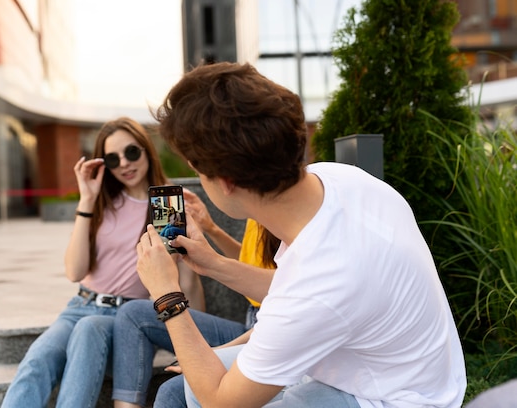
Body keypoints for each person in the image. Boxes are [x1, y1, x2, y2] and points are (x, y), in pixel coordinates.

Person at [134, 62, 467, 407]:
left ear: (227, 183)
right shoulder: (339, 179)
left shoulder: (327, 273)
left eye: (197, 170)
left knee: (195, 392)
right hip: (391, 370)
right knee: (176, 392)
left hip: (392, 398)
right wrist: (214, 265)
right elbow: (295, 290)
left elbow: (222, 402)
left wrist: (167, 294)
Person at [1, 117, 204, 407]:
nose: (124, 163)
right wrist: (86, 200)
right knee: (37, 360)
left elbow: (183, 275)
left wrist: (193, 339)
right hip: (79, 307)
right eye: (112, 158)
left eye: (131, 152)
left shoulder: (166, 204)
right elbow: (75, 271)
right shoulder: (102, 200)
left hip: (124, 316)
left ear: (146, 150)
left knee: (89, 330)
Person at [112, 189, 278, 408]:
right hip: (255, 321)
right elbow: (254, 265)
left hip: (269, 328)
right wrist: (211, 232)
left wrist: (166, 292)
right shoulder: (258, 211)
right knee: (131, 314)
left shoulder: (280, 214)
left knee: (172, 390)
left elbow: (292, 304)